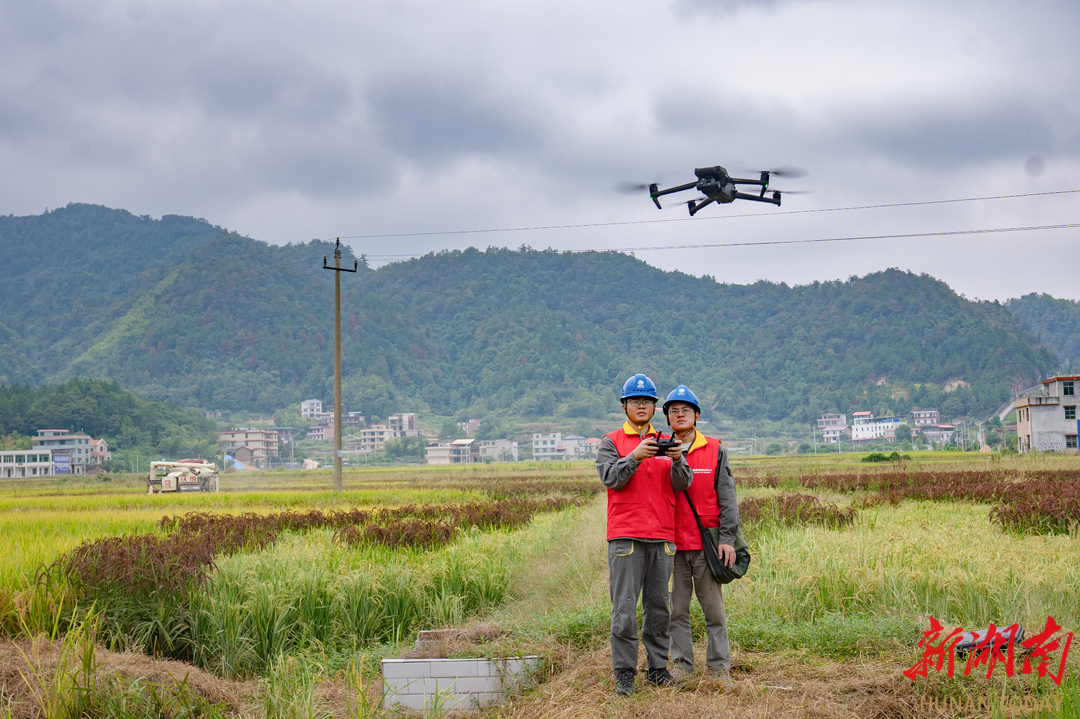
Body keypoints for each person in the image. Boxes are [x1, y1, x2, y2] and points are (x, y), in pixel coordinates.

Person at [595, 373, 692, 696]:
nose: (641, 406)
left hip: (662, 536)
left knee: (658, 608)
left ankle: (657, 668)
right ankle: (624, 673)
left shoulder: (667, 440)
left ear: (654, 408)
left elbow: (682, 484)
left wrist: (677, 459)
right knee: (623, 609)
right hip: (625, 537)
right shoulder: (612, 442)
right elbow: (610, 478)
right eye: (635, 401)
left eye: (647, 402)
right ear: (624, 405)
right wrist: (634, 456)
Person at [663, 384, 740, 686]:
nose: (679, 415)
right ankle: (683, 667)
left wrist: (728, 540)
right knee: (677, 612)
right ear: (667, 418)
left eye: (685, 410)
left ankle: (720, 669)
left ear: (696, 415)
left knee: (714, 612)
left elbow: (727, 498)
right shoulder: (660, 449)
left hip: (706, 546)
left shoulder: (714, 449)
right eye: (673, 411)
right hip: (672, 546)